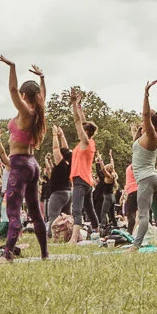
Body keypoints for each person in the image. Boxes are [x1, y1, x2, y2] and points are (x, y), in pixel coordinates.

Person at [0, 55, 50, 258]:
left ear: (24, 95)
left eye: (21, 94)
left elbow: (11, 90)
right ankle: (44, 253)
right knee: (35, 213)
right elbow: (43, 95)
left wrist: (12, 67)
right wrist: (42, 78)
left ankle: (7, 253)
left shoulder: (26, 112)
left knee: (13, 212)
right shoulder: (37, 110)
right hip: (32, 164)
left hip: (19, 164)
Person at [130, 81, 157, 251]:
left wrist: (146, 94)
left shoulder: (151, 135)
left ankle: (135, 246)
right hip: (154, 178)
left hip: (146, 179)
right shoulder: (156, 134)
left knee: (143, 215)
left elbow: (146, 114)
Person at [69, 92, 100, 235]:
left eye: (83, 128)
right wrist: (79, 105)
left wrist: (74, 105)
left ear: (86, 131)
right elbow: (81, 121)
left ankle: (74, 238)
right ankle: (97, 232)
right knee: (89, 209)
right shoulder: (90, 142)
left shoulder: (86, 142)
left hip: (80, 180)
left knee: (77, 209)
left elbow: (77, 122)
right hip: (87, 181)